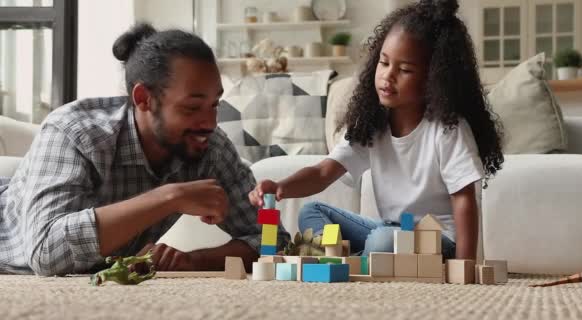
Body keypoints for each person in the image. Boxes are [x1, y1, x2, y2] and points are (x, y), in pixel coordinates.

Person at [0, 23, 289, 276]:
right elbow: (46, 253)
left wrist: (194, 260)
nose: (209, 122)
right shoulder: (76, 131)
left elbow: (272, 240)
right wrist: (168, 197)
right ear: (143, 99)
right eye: (191, 107)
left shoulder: (210, 146)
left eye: (215, 104)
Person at [249, 0, 503, 260]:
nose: (388, 76)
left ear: (434, 78)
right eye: (384, 63)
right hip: (390, 232)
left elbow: (464, 200)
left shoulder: (447, 130)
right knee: (311, 212)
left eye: (404, 70)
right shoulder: (372, 124)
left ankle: (357, 259)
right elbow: (323, 172)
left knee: (381, 242)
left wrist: (465, 265)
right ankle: (355, 259)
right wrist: (281, 187)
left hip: (438, 241)